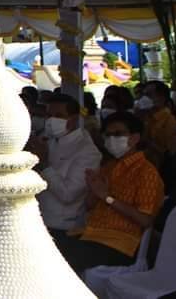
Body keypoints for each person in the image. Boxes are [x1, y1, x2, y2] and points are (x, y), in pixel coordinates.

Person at [57, 112, 164, 275]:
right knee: (46, 246)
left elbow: (145, 220)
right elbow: (89, 206)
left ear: (135, 138)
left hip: (120, 244)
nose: (111, 139)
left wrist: (107, 197)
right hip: (90, 235)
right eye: (107, 135)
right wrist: (94, 190)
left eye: (118, 134)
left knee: (57, 258)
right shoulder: (109, 166)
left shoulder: (146, 173)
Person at [29, 93, 101, 238]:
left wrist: (43, 164)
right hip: (36, 219)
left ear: (73, 119)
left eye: (58, 115)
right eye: (49, 115)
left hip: (63, 227)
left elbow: (68, 194)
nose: (51, 120)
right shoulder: (48, 140)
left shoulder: (87, 151)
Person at [139, 80, 176, 169]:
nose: (144, 98)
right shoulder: (146, 117)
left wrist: (146, 140)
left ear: (162, 98)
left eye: (149, 95)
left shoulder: (169, 120)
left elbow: (168, 152)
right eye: (143, 95)